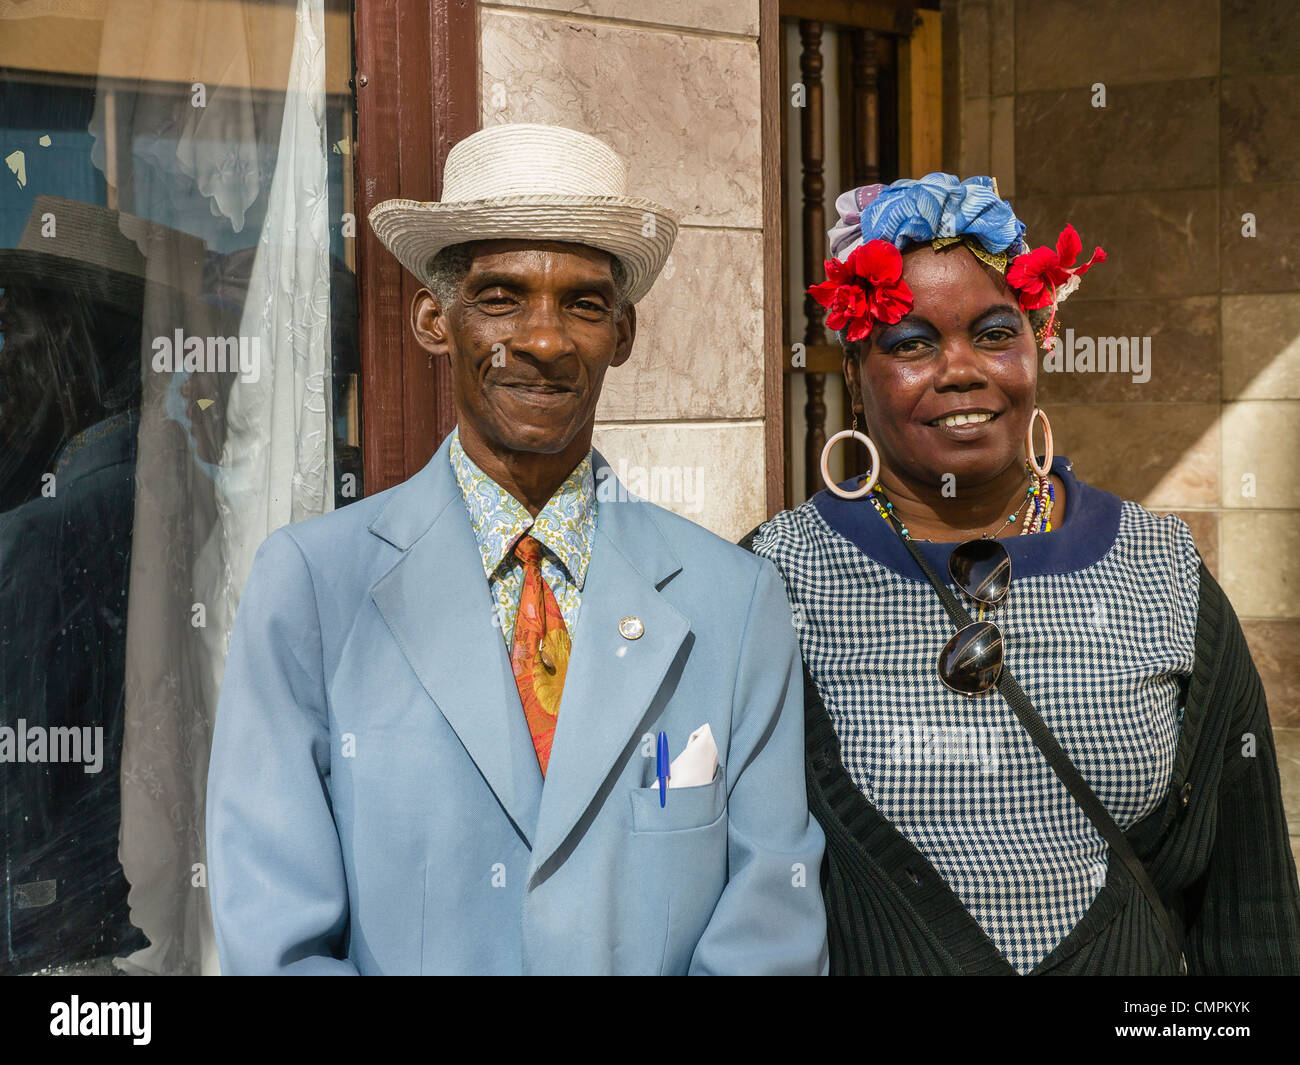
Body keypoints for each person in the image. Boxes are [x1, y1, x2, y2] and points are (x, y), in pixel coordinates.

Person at [205, 123, 828, 975]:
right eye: (501, 298)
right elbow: (277, 936)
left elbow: (772, 923)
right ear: (436, 320)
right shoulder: (314, 585)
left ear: (625, 334)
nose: (543, 340)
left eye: (583, 303)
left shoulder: (735, 599)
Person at [743, 173, 1300, 975]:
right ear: (858, 375)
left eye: (995, 333)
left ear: (1039, 343)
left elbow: (1247, 893)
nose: (961, 369)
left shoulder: (1160, 569)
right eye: (912, 343)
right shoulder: (774, 580)